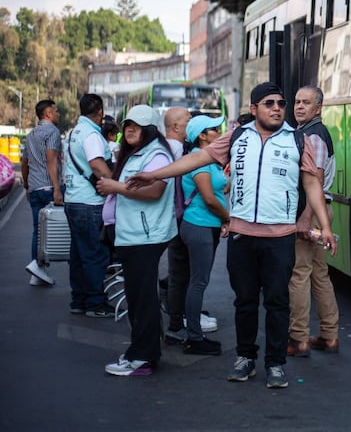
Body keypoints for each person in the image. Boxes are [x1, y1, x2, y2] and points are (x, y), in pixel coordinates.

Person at [127, 82, 335, 389]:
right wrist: (155, 174)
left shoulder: (297, 139)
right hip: (242, 236)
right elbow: (196, 159)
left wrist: (325, 226)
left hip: (280, 237)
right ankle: (246, 358)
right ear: (254, 109)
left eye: (280, 103)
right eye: (269, 103)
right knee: (246, 302)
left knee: (278, 303)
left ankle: (276, 363)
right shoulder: (237, 137)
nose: (277, 108)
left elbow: (312, 185)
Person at [97, 105, 177, 376]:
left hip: (145, 236)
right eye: (127, 125)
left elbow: (155, 191)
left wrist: (114, 187)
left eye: (136, 125)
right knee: (138, 296)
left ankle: (143, 357)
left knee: (142, 298)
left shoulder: (156, 154)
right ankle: (142, 352)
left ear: (150, 129)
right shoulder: (136, 153)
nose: (129, 129)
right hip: (133, 235)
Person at [288, 86, 340, 357]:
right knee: (320, 274)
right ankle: (329, 337)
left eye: (306, 103)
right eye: (297, 101)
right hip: (321, 212)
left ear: (318, 108)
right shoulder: (306, 132)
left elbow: (315, 182)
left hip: (313, 212)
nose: (299, 106)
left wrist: (305, 218)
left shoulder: (314, 137)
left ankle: (299, 339)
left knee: (300, 274)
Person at [160, 106, 219, 344]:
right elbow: (207, 195)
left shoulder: (178, 150)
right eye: (187, 121)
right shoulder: (182, 153)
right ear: (175, 126)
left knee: (181, 275)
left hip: (179, 219)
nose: (189, 124)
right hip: (187, 219)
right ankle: (186, 325)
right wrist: (226, 217)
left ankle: (179, 321)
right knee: (191, 278)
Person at [180, 114, 230, 356]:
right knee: (198, 282)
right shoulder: (199, 161)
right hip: (199, 225)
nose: (219, 131)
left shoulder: (209, 160)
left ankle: (193, 332)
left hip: (205, 225)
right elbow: (209, 199)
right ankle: (194, 338)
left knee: (197, 281)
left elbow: (220, 187)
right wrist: (228, 218)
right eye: (215, 129)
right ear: (202, 135)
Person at [62, 93, 115, 316]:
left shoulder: (74, 132)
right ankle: (95, 303)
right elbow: (97, 166)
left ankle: (79, 300)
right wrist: (115, 183)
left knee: (78, 253)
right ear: (101, 112)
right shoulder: (92, 135)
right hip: (89, 202)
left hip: (73, 199)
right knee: (95, 254)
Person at [21, 99, 64, 286]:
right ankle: (40, 267)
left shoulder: (31, 134)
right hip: (48, 187)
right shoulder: (53, 132)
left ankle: (37, 271)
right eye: (56, 111)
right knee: (56, 230)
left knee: (37, 231)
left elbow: (24, 163)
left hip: (35, 188)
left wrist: (27, 186)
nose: (58, 114)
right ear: (48, 114)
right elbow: (51, 160)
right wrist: (57, 188)